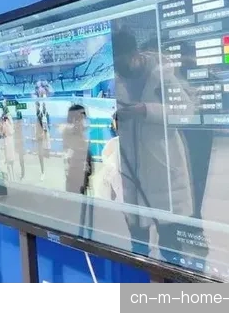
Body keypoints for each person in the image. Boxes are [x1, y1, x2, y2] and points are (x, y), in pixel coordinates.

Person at [112, 28, 195, 258]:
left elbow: (186, 112)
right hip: (131, 173)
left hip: (162, 171)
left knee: (170, 246)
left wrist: (147, 110)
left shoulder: (162, 76)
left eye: (122, 62)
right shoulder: (115, 81)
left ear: (135, 54)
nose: (120, 68)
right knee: (138, 246)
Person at [62, 104, 93, 195]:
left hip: (82, 179)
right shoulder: (70, 134)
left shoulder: (80, 135)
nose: (84, 122)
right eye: (82, 119)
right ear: (75, 120)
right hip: (75, 180)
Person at [35, 101, 50, 180]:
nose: (35, 107)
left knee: (41, 155)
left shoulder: (42, 115)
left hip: (42, 138)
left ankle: (43, 172)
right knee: (40, 156)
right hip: (39, 138)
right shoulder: (38, 114)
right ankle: (43, 171)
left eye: (36, 106)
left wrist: (42, 134)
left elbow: (46, 127)